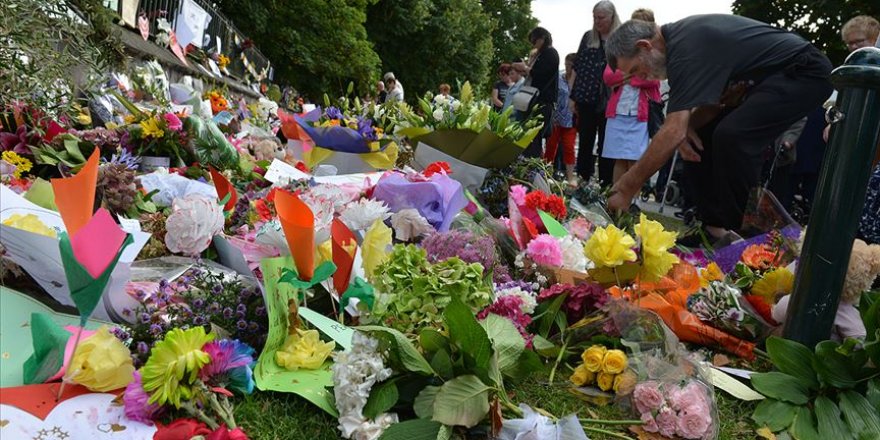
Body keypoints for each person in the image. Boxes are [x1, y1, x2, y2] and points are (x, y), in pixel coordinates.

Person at [604, 16, 833, 246]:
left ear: (645, 46)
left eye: (635, 70)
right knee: (698, 135)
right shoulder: (681, 45)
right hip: (768, 80)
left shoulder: (686, 49)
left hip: (805, 73)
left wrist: (625, 188)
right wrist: (690, 127)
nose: (640, 78)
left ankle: (754, 239)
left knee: (733, 136)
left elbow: (672, 130)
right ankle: (713, 230)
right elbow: (707, 110)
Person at [571, 1, 620, 186]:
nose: (597, 21)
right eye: (594, 17)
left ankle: (605, 184)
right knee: (585, 141)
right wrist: (572, 95)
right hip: (586, 97)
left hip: (610, 99)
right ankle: (583, 181)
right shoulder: (588, 37)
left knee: (606, 145)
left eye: (601, 18)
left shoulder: (619, 38)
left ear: (611, 17)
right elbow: (577, 66)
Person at [601, 62, 660, 188]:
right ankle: (615, 196)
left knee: (635, 159)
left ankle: (634, 200)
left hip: (639, 116)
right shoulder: (618, 54)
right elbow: (608, 77)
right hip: (617, 113)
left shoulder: (648, 56)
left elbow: (654, 80)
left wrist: (628, 79)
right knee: (619, 158)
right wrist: (636, 74)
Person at [521, 27, 560, 158]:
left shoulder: (550, 54)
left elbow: (542, 75)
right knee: (532, 136)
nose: (533, 45)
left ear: (542, 38)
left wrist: (527, 69)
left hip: (543, 101)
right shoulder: (544, 54)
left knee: (535, 137)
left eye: (534, 41)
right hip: (539, 100)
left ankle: (532, 163)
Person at [543, 53, 578, 185]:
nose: (567, 67)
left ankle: (570, 178)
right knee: (551, 146)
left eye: (570, 65)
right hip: (556, 118)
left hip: (571, 120)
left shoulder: (579, 81)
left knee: (569, 147)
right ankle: (545, 173)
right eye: (566, 64)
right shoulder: (558, 78)